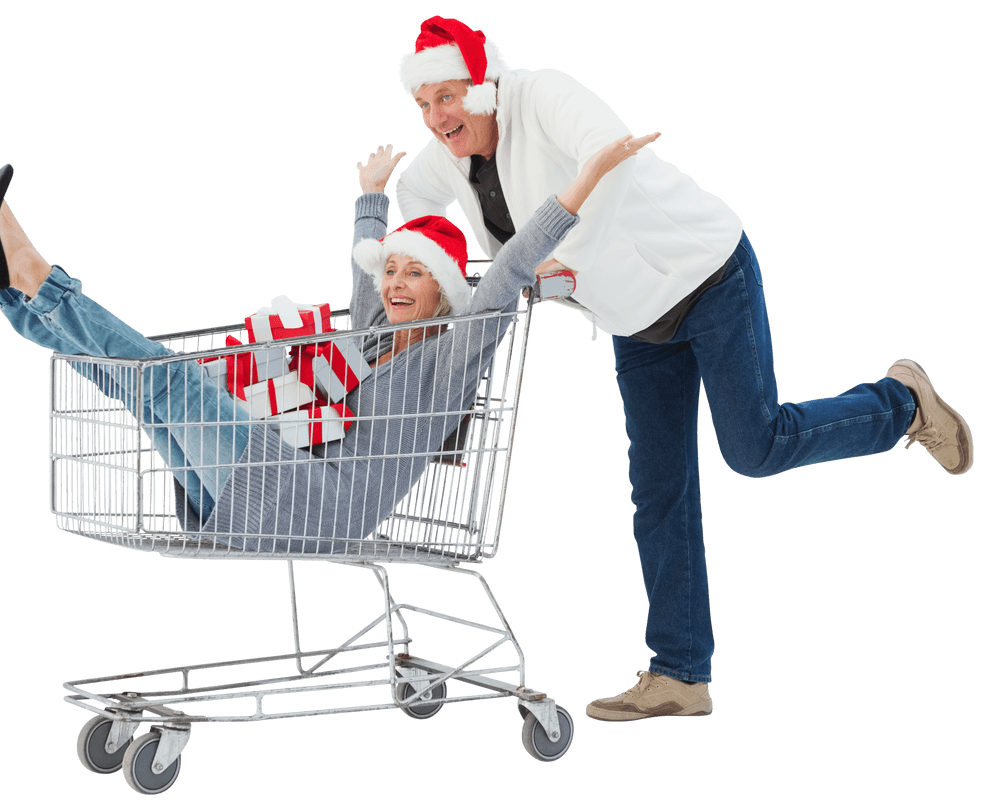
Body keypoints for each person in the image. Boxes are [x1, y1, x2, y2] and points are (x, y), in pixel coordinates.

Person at [390, 15, 975, 722]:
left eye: (446, 97)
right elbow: (414, 200)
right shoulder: (450, 155)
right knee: (656, 487)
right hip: (634, 316)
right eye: (424, 104)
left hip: (703, 271)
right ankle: (680, 674)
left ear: (480, 86)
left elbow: (612, 155)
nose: (436, 117)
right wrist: (455, 273)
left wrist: (557, 258)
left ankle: (902, 405)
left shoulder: (540, 96)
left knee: (756, 448)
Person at [0, 134, 649, 552]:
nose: (395, 282)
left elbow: (511, 269)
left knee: (174, 381)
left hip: (319, 505)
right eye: (392, 270)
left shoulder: (456, 355)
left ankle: (30, 273)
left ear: (447, 292)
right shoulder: (368, 335)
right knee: (134, 387)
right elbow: (368, 255)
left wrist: (585, 178)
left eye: (415, 274)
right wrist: (372, 193)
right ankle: (7, 284)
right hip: (282, 491)